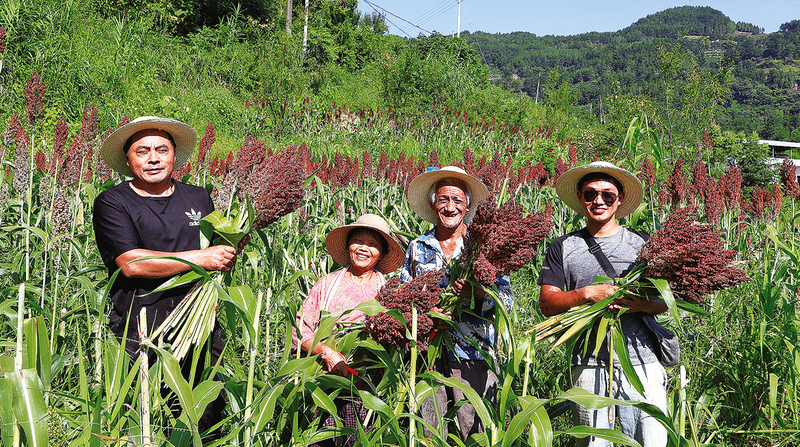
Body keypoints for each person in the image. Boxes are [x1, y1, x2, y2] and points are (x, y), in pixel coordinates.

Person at [93, 116, 235, 436]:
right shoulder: (113, 202)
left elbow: (216, 253)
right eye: (143, 151)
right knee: (146, 419)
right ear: (128, 159)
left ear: (174, 155)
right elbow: (131, 263)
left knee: (202, 416)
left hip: (199, 327)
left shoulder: (198, 197)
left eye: (162, 149)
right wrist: (202, 258)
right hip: (141, 328)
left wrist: (230, 249)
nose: (154, 158)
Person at [538, 161, 668, 447]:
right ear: (581, 198)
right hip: (588, 363)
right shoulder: (562, 246)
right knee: (594, 443)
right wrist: (586, 294)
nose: (599, 201)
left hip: (642, 362)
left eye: (608, 195)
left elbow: (667, 301)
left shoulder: (643, 244)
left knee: (652, 440)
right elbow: (547, 303)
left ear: (619, 200)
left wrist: (640, 305)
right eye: (590, 194)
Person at [402, 166, 513, 440]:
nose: (449, 207)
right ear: (433, 203)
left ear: (468, 206)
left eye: (457, 201)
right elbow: (403, 299)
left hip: (474, 355)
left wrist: (478, 296)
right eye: (443, 200)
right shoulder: (418, 246)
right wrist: (427, 316)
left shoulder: (485, 246)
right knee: (429, 433)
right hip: (427, 357)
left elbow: (507, 303)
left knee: (474, 433)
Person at [294, 213, 404, 447]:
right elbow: (301, 329)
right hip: (324, 388)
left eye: (373, 244)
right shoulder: (326, 284)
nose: (364, 248)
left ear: (382, 253)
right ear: (348, 245)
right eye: (359, 241)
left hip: (367, 396)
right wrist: (327, 352)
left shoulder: (389, 294)